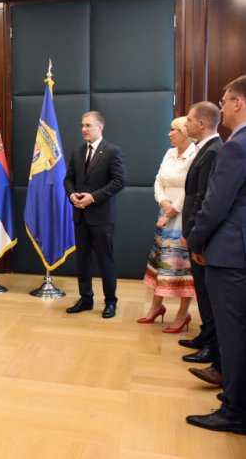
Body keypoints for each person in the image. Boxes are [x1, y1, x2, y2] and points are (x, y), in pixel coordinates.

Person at [186, 75, 246, 435]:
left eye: (224, 102)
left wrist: (195, 241)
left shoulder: (236, 146)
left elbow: (214, 205)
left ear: (238, 102)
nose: (222, 108)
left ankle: (235, 410)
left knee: (232, 334)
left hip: (229, 254)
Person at [64, 111, 126, 318]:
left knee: (105, 261)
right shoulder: (77, 152)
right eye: (82, 125)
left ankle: (110, 302)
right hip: (80, 215)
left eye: (88, 125)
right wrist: (72, 194)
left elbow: (119, 181)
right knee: (83, 260)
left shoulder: (112, 151)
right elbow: (68, 179)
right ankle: (86, 299)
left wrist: (94, 197)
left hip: (102, 217)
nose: (83, 129)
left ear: (100, 127)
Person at [138, 117, 196, 332]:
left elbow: (191, 188)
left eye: (173, 130)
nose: (169, 133)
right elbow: (158, 181)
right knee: (161, 262)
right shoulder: (169, 153)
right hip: (164, 213)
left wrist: (171, 212)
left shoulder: (195, 154)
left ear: (184, 132)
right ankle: (156, 307)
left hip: (182, 217)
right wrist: (162, 201)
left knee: (182, 266)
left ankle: (183, 314)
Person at [180, 101, 223, 383]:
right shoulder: (204, 148)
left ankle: (211, 346)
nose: (185, 124)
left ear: (202, 123)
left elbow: (203, 197)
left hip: (201, 235)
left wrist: (193, 235)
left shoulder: (214, 151)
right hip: (195, 231)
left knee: (208, 296)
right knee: (202, 292)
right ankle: (205, 337)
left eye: (189, 120)